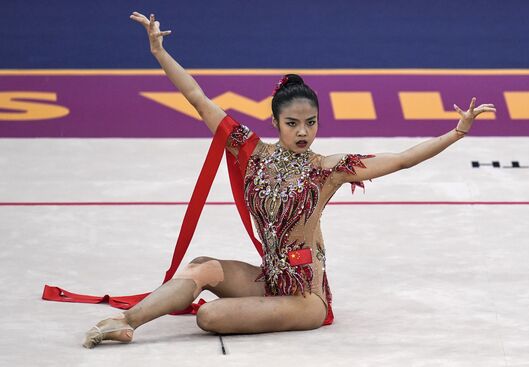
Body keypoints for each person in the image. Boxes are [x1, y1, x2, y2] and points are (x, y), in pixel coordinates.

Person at [82, 11, 496, 348]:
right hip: (270, 278)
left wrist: (456, 132)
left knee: (208, 315)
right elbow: (198, 98)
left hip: (304, 299)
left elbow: (402, 159)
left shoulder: (327, 169)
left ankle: (142, 320)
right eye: (293, 123)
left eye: (311, 123)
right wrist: (159, 52)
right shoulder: (253, 153)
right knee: (202, 267)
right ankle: (126, 322)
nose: (303, 132)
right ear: (276, 122)